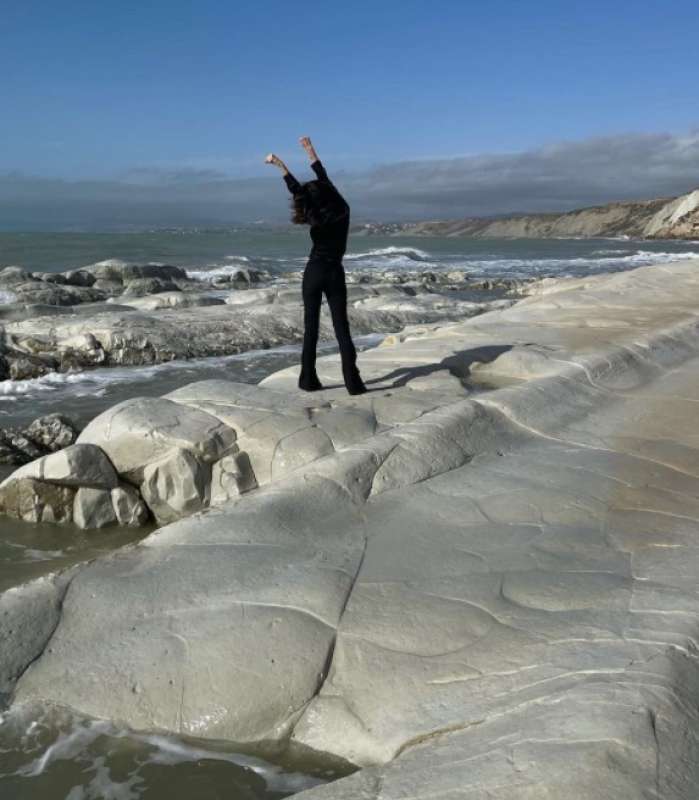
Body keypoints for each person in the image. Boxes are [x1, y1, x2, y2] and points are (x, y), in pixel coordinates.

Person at [265, 137, 367, 395]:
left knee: (311, 329)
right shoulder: (343, 210)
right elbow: (323, 180)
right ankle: (353, 384)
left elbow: (296, 190)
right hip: (334, 271)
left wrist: (280, 165)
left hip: (313, 272)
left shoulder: (313, 215)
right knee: (341, 328)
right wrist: (309, 151)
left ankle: (308, 380)